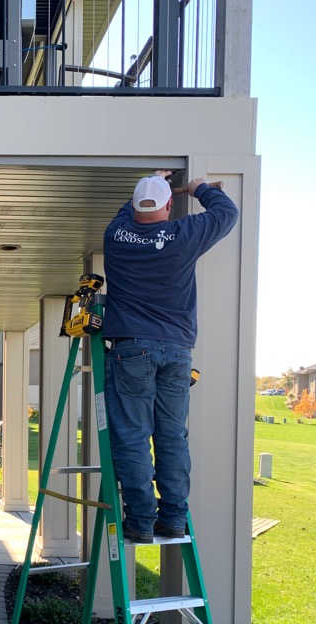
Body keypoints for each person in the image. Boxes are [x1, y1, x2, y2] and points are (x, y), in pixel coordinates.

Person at [102, 171, 239, 543]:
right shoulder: (184, 235)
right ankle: (174, 517)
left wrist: (147, 183)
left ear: (133, 206)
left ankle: (141, 521)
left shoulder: (115, 236)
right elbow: (227, 212)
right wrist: (199, 188)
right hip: (176, 352)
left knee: (133, 435)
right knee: (172, 436)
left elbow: (124, 213)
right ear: (169, 206)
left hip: (132, 349)